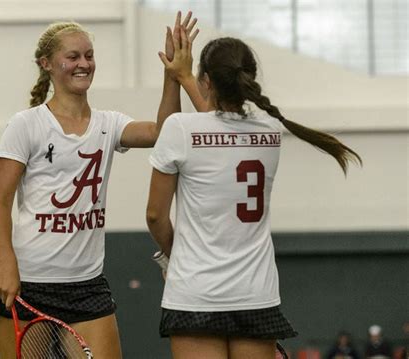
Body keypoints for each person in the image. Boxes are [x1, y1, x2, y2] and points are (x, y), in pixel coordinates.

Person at [0, 12, 198, 359]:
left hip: (87, 286)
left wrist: (171, 76)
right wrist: (6, 262)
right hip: (28, 284)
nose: (84, 64)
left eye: (89, 55)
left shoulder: (108, 124)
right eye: (73, 57)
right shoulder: (26, 125)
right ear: (47, 64)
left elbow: (163, 133)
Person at [146, 33, 362, 359]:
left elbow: (154, 216)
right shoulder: (270, 131)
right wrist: (189, 77)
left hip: (196, 292)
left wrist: (173, 257)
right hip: (254, 294)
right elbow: (219, 125)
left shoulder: (179, 129)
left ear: (208, 81)